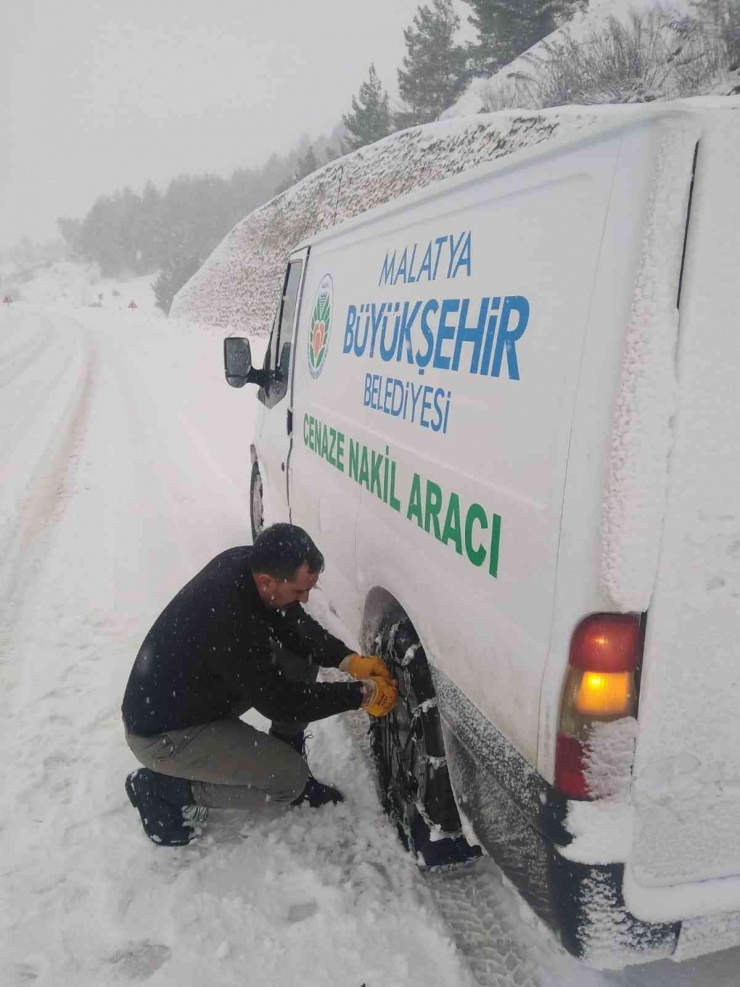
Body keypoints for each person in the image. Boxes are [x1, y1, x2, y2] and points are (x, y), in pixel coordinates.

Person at [122, 523, 397, 846]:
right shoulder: (230, 620)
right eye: (299, 591)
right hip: (163, 736)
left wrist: (349, 661)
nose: (305, 598)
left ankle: (285, 749)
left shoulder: (247, 565)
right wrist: (362, 694)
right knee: (287, 782)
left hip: (200, 698)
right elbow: (282, 701)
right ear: (268, 581)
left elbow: (297, 627)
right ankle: (160, 788)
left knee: (300, 652)